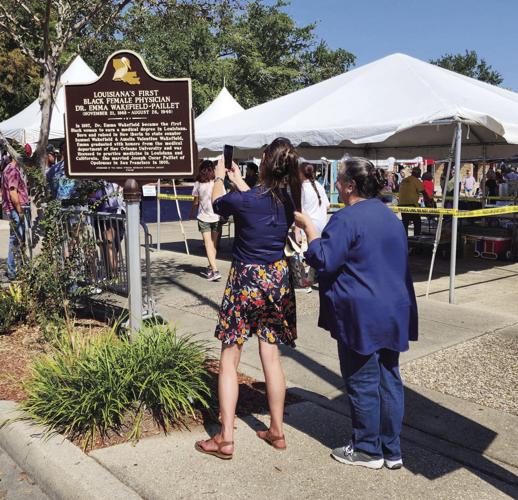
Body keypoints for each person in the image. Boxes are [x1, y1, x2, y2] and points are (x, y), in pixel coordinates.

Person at [294, 157, 418, 470]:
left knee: (362, 380)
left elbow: (324, 258)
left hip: (361, 313)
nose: (335, 185)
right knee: (389, 378)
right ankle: (391, 449)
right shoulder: (389, 216)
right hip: (394, 309)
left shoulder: (346, 219)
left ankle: (367, 449)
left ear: (350, 185)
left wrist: (309, 227)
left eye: (339, 181)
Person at [195, 137, 301, 460]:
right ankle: (277, 431)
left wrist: (217, 178)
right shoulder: (286, 200)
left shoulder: (246, 201)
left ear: (266, 161)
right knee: (271, 356)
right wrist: (240, 181)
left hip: (245, 280)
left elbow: (218, 204)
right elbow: (259, 202)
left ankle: (225, 438)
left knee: (230, 357)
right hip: (277, 279)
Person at [190, 160, 223, 281]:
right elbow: (222, 198)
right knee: (213, 244)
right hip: (216, 216)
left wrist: (191, 212)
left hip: (203, 217)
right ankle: (211, 267)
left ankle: (215, 270)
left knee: (208, 244)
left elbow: (196, 201)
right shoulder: (217, 183)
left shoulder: (198, 183)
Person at [1, 157, 30, 280]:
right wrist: (20, 211)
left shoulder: (8, 169)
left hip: (13, 209)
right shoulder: (12, 170)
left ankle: (15, 269)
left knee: (16, 239)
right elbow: (13, 193)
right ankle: (13, 270)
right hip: (16, 209)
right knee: (16, 239)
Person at [398, 166, 425, 236]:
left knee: (405, 222)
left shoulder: (404, 180)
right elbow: (423, 192)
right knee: (417, 222)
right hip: (411, 204)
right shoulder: (416, 180)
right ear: (418, 173)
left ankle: (405, 239)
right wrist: (429, 200)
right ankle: (416, 238)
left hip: (401, 204)